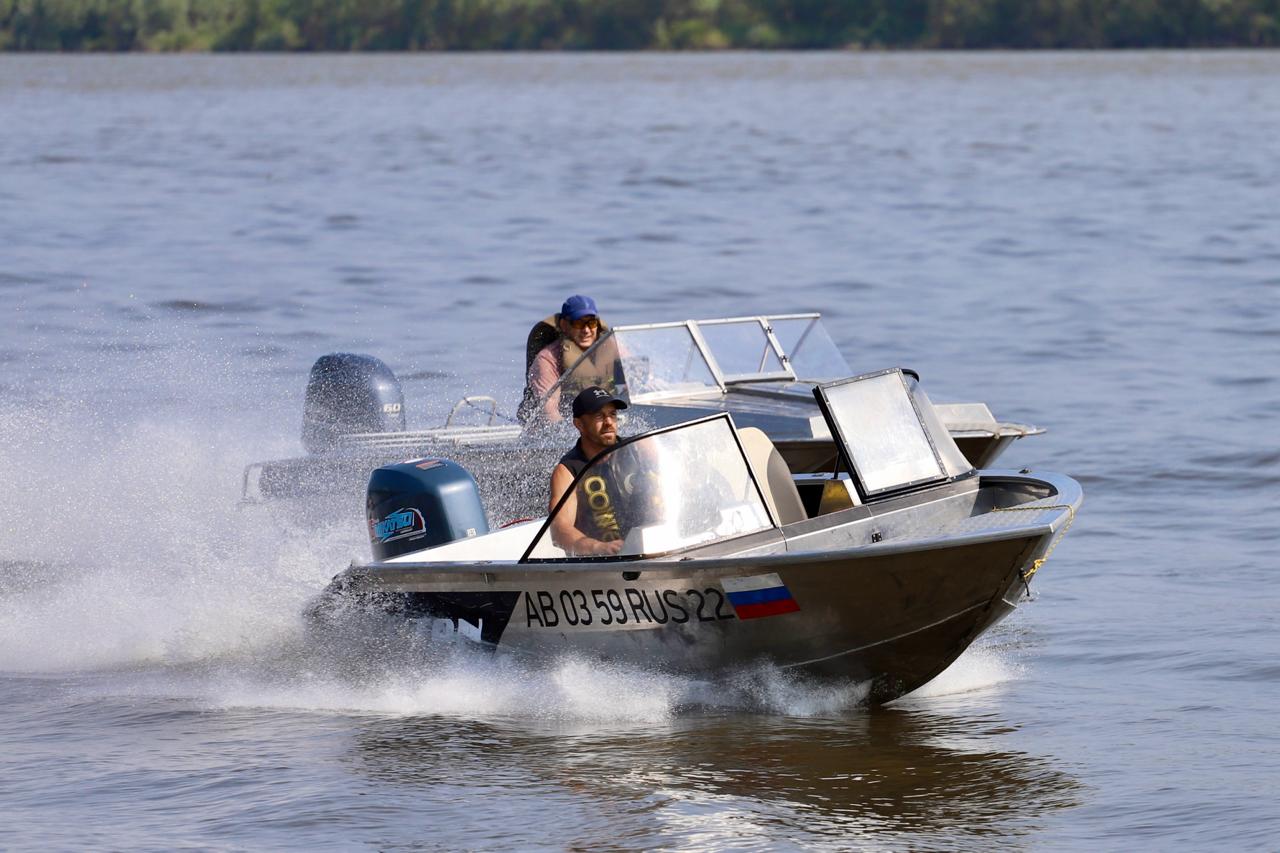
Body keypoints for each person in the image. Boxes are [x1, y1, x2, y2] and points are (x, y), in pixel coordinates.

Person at [548, 386, 630, 556]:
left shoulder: (639, 450)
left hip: (654, 549)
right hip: (605, 563)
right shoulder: (567, 472)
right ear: (579, 424)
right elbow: (559, 530)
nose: (609, 422)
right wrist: (598, 548)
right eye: (599, 416)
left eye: (612, 414)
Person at [519, 295, 616, 425]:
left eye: (591, 323)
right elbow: (549, 410)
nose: (586, 330)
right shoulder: (547, 359)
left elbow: (636, 377)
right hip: (561, 427)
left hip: (603, 420)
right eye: (579, 323)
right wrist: (575, 429)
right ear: (564, 325)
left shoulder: (614, 347)